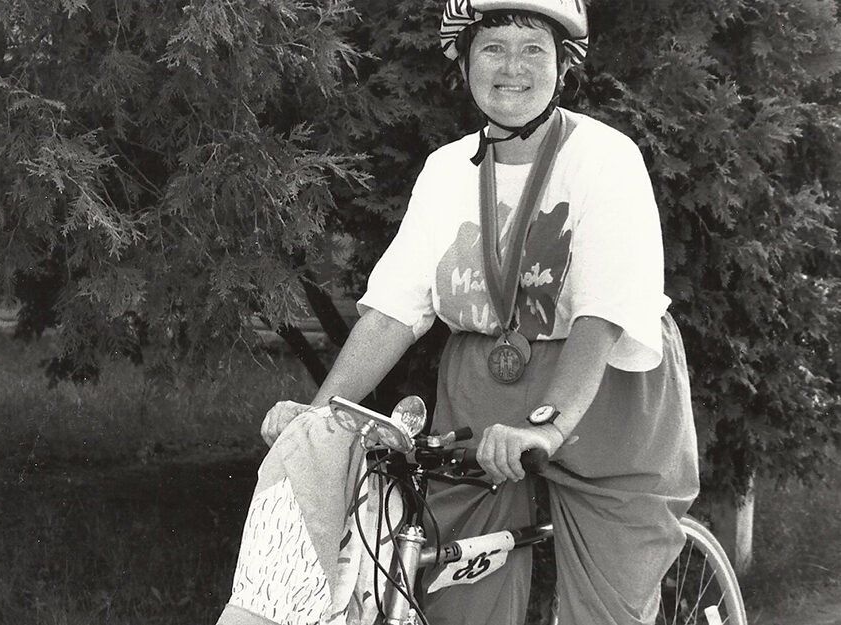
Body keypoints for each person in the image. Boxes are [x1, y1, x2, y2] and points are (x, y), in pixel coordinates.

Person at [234, 1, 700, 624]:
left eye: (534, 48)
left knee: (610, 606)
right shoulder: (447, 170)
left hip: (605, 386)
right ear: (464, 61)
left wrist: (548, 427)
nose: (513, 66)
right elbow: (393, 310)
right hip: (486, 387)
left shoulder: (605, 159)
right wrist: (320, 416)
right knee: (455, 595)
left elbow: (604, 316)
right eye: (493, 47)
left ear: (563, 65)